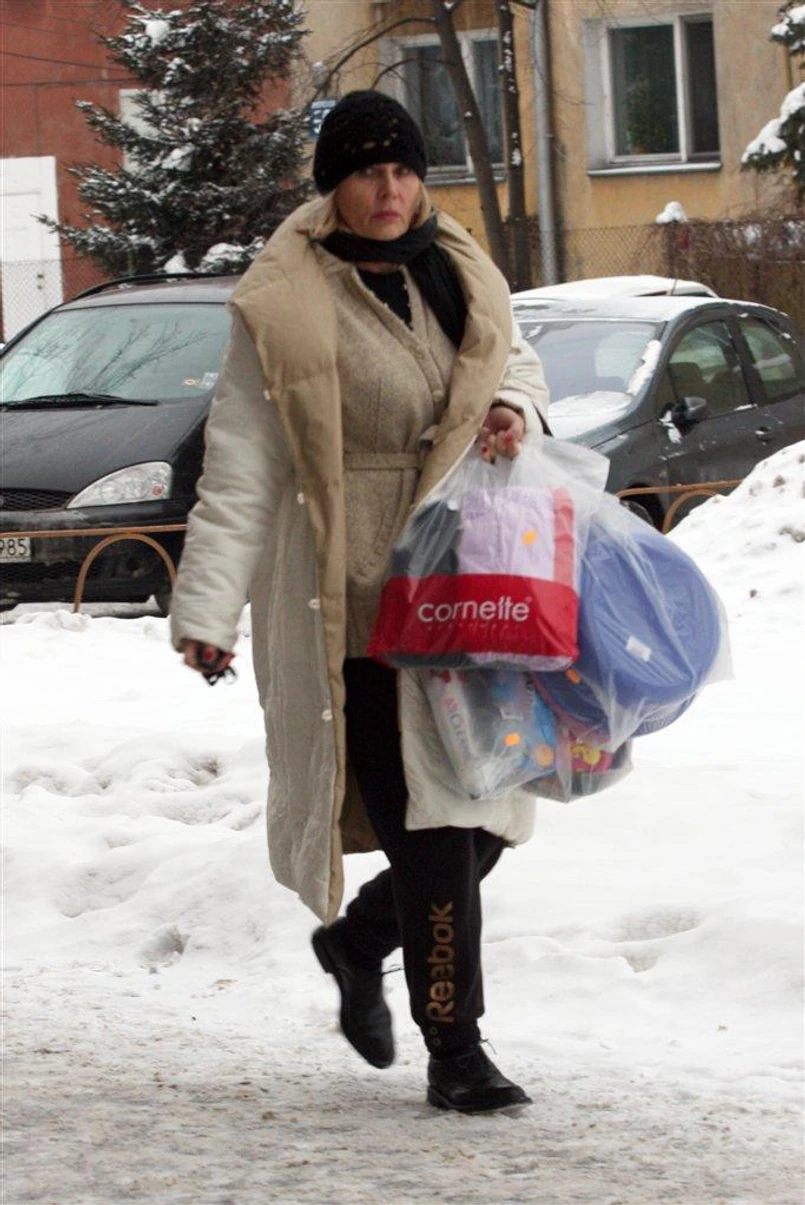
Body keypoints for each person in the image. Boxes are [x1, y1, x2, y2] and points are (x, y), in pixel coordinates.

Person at [170, 91, 550, 1113]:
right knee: (432, 828)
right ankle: (456, 1046)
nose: (389, 189)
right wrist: (207, 610)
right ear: (332, 183)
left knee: (484, 818)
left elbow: (508, 356)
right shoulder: (285, 300)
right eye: (367, 170)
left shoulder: (455, 264)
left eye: (403, 168)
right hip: (350, 596)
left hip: (462, 579)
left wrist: (510, 405)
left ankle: (360, 939)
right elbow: (241, 466)